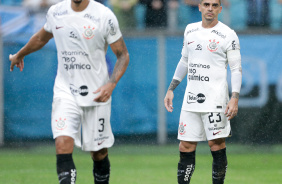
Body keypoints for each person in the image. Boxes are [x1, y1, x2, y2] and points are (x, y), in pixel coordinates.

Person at [9, 0, 130, 183]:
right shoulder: (56, 12)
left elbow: (123, 55)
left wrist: (111, 84)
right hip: (66, 91)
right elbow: (42, 37)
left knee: (98, 153)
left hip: (96, 94)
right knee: (62, 144)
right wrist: (21, 54)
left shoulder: (104, 16)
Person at [164, 0, 242, 183]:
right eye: (206, 4)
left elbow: (236, 69)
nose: (210, 8)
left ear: (220, 9)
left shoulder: (228, 34)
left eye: (215, 5)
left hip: (215, 100)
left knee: (216, 145)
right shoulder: (190, 30)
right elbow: (184, 61)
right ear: (199, 7)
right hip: (191, 99)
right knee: (185, 146)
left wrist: (234, 98)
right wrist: (171, 88)